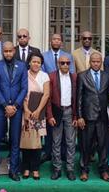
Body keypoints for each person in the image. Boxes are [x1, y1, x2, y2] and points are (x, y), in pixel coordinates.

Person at [0, 41, 26, 181]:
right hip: (0, 107)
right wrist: (5, 105)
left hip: (16, 108)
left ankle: (14, 171)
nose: (8, 53)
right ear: (2, 52)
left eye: (10, 51)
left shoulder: (22, 66)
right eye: (6, 51)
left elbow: (24, 88)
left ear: (14, 51)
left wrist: (15, 106)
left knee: (15, 140)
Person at [76, 51, 109, 182]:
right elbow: (79, 98)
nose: (96, 64)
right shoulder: (82, 76)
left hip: (103, 117)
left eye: (98, 61)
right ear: (89, 62)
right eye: (93, 61)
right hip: (87, 117)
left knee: (103, 145)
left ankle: (103, 170)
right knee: (86, 145)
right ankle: (84, 170)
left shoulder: (107, 76)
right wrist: (79, 116)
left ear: (101, 62)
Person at [46, 52, 78, 181]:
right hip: (56, 112)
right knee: (56, 142)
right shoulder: (52, 76)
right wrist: (50, 115)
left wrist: (76, 116)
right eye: (62, 63)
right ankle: (57, 168)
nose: (65, 65)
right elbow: (48, 98)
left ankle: (70, 169)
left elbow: (77, 98)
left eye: (67, 63)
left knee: (71, 142)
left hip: (70, 112)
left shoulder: (74, 77)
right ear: (58, 64)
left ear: (70, 64)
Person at [20, 53, 50, 180]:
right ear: (29, 63)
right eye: (34, 61)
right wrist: (26, 110)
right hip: (25, 111)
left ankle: (35, 168)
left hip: (39, 112)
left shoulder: (44, 76)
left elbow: (46, 94)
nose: (36, 64)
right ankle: (26, 168)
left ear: (41, 64)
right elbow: (20, 92)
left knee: (37, 141)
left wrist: (38, 111)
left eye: (38, 62)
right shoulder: (24, 74)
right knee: (26, 139)